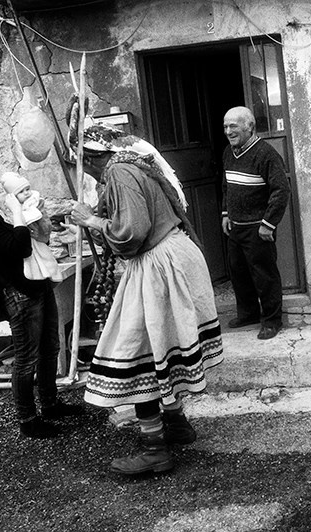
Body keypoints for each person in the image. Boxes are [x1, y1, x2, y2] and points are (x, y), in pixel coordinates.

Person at [67, 114, 224, 475]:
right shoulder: (132, 166)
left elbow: (131, 234)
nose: (84, 172)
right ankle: (176, 423)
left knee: (134, 353)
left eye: (80, 163)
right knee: (160, 347)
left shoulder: (119, 173)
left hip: (158, 263)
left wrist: (91, 221)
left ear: (90, 158)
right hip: (172, 257)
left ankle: (155, 450)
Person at [0, 162, 82, 439]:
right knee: (26, 358)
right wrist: (20, 211)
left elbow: (39, 238)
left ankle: (50, 404)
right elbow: (21, 247)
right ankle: (28, 419)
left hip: (35, 286)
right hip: (17, 294)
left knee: (50, 348)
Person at [221, 106, 290, 340]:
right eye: (225, 127)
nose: (228, 131)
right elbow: (226, 186)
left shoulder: (266, 154)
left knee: (264, 275)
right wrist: (225, 214)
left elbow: (281, 191)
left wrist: (268, 223)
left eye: (233, 126)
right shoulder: (229, 153)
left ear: (249, 126)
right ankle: (248, 313)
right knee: (239, 273)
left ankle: (272, 320)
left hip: (258, 228)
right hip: (236, 226)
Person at [0, 172, 63, 283]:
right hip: (27, 242)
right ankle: (35, 274)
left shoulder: (35, 203)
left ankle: (53, 274)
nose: (27, 193)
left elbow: (45, 224)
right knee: (31, 260)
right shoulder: (10, 209)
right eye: (21, 192)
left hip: (38, 238)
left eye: (27, 189)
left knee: (45, 256)